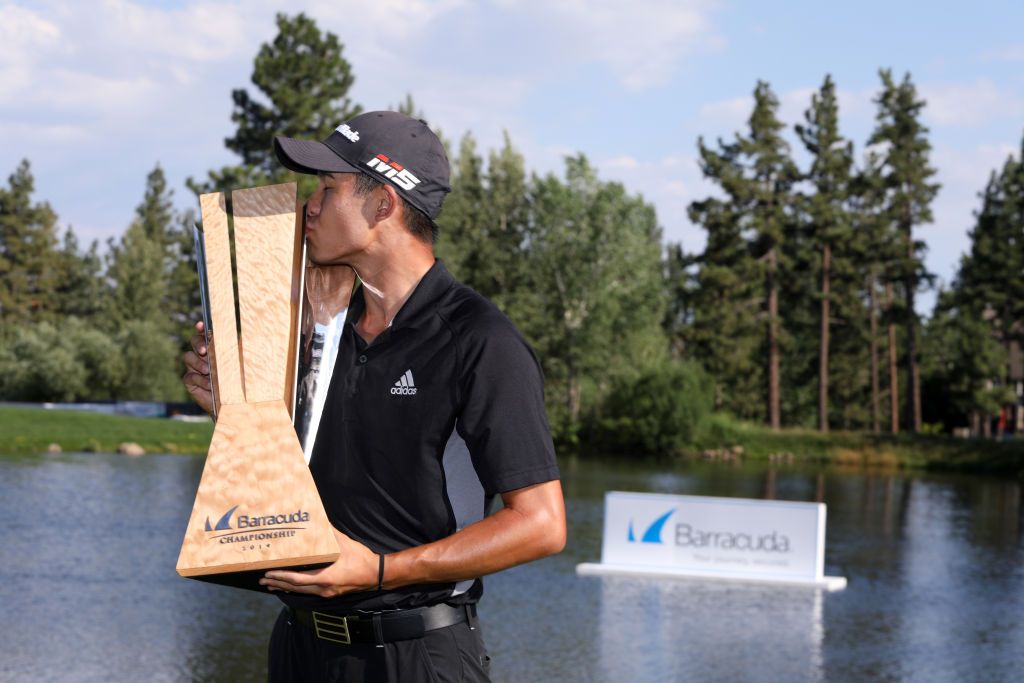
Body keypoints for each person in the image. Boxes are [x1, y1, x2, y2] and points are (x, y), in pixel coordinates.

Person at [181, 110, 566, 682]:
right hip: (299, 648)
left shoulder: (479, 340)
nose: (309, 205)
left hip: (416, 655)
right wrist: (239, 417)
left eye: (327, 188)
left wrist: (380, 571)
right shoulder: (319, 330)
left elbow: (541, 525)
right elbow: (315, 480)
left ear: (382, 204)